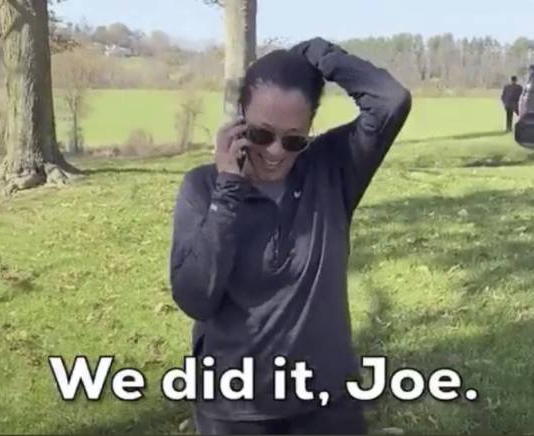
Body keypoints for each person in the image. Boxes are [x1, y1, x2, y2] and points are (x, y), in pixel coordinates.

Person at [169, 37, 411, 435]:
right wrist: (228, 193)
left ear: (311, 127)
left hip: (327, 401)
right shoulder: (202, 187)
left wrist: (316, 53)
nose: (276, 152)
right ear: (240, 116)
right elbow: (195, 298)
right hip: (234, 408)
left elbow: (390, 100)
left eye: (294, 139)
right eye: (262, 135)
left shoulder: (332, 170)